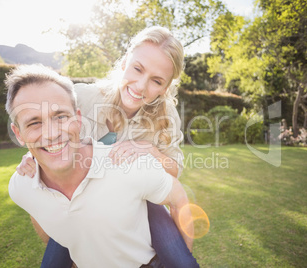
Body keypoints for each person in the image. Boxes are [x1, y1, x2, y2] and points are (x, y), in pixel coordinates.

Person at [16, 26, 199, 268]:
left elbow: (174, 172)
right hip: (78, 195)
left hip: (142, 199)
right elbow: (50, 134)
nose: (141, 86)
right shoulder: (81, 96)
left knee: (180, 262)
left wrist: (150, 150)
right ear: (124, 62)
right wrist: (31, 156)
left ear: (165, 88)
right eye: (137, 68)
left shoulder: (166, 117)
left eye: (156, 81)